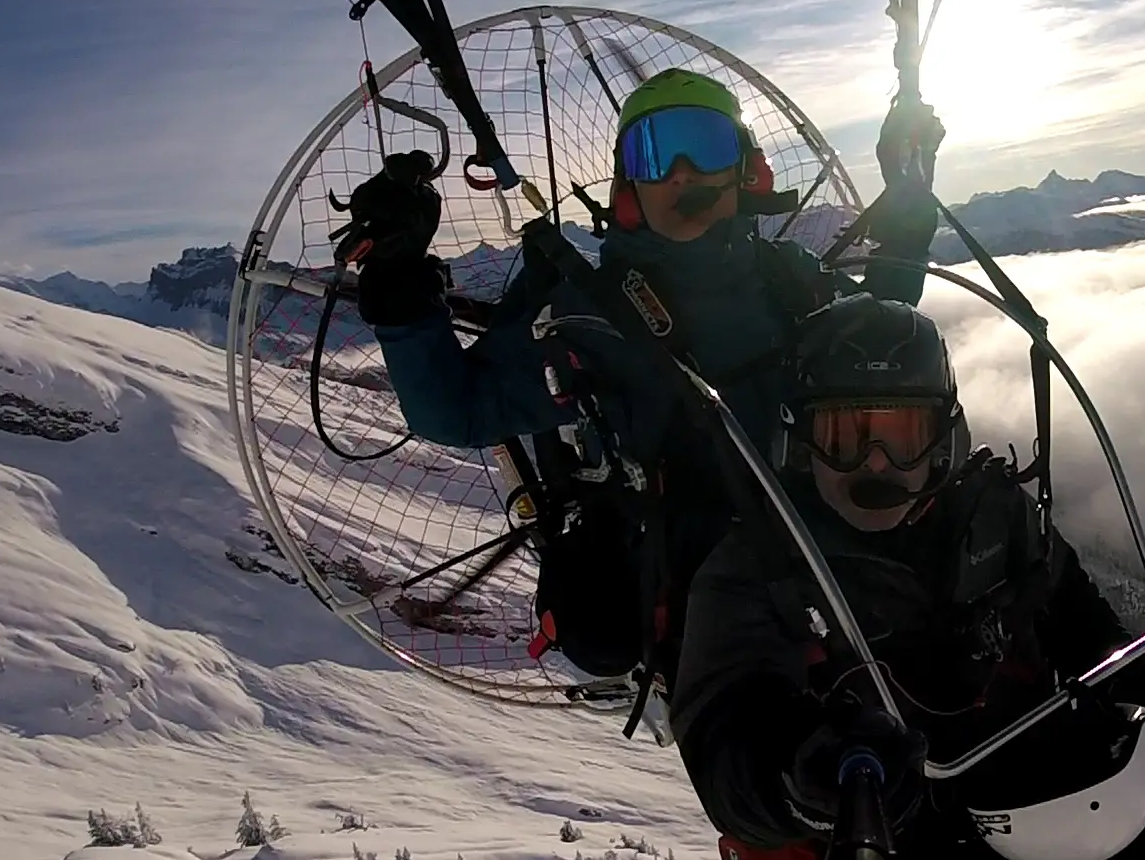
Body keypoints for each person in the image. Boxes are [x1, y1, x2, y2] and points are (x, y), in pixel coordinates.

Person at [336, 68, 942, 689]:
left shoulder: (791, 284)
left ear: (743, 169)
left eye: (704, 145)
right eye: (654, 153)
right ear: (628, 186)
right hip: (686, 613)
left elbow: (873, 339)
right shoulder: (583, 313)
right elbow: (454, 410)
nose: (682, 172)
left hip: (822, 583)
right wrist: (399, 283)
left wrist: (911, 196)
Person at [669, 294, 1145, 860]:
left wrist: (1128, 691)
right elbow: (722, 736)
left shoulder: (994, 511)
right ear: (799, 442)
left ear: (944, 437)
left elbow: (1073, 604)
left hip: (1037, 799)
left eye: (904, 434)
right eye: (846, 437)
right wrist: (801, 780)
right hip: (883, 825)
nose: (878, 463)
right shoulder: (760, 567)